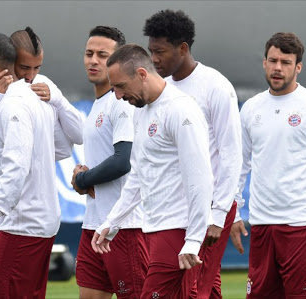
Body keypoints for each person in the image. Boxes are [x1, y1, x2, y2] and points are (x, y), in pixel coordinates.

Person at [0, 30, 82, 298]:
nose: (30, 76)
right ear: (8, 62)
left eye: (37, 68)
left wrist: (57, 100)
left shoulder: (35, 89)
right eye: (24, 67)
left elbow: (66, 144)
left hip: (10, 215)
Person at [233, 32, 306, 299]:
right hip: (261, 224)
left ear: (298, 67)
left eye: (285, 62)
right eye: (273, 60)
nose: (277, 68)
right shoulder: (251, 109)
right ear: (264, 62)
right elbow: (239, 165)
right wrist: (234, 211)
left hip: (301, 223)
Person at [92, 44, 213, 298]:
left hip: (177, 233)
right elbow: (137, 176)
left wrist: (193, 239)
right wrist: (111, 223)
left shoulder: (180, 109)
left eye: (121, 86)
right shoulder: (141, 112)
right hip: (154, 230)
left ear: (142, 74)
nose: (117, 96)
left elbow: (200, 179)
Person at [143, 9, 242, 299]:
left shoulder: (216, 86)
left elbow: (232, 154)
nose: (154, 59)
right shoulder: (162, 89)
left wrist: (219, 214)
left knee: (191, 287)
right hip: (176, 206)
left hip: (210, 206)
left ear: (183, 48)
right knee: (205, 287)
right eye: (151, 52)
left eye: (160, 52)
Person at [71, 26, 149, 299]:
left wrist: (82, 180)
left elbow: (122, 161)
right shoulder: (99, 104)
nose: (93, 60)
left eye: (102, 55)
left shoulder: (122, 103)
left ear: (119, 62)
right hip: (93, 223)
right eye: (89, 53)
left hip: (123, 227)